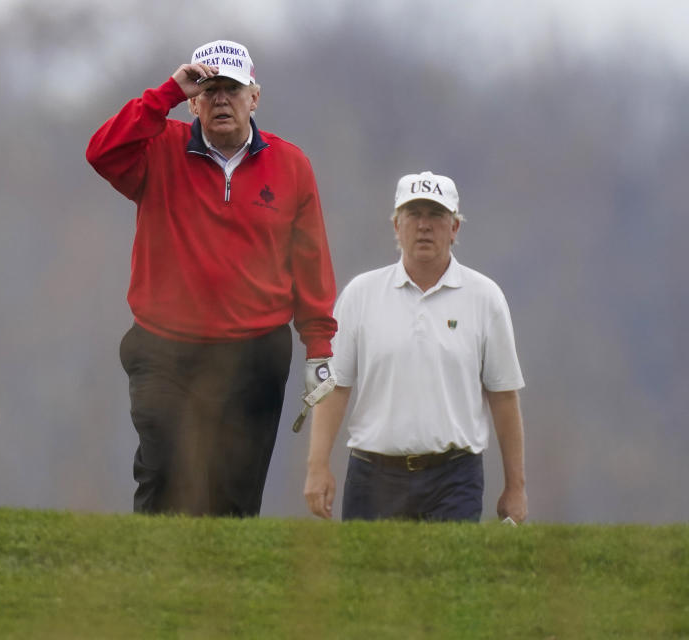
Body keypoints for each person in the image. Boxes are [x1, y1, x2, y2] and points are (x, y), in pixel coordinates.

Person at [87, 39, 338, 517]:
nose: (221, 99)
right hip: (163, 349)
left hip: (254, 352)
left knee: (233, 498)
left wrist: (319, 346)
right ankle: (154, 586)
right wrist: (164, 94)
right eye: (209, 89)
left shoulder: (291, 166)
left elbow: (310, 262)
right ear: (194, 102)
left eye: (233, 89)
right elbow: (101, 153)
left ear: (254, 98)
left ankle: (224, 591)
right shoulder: (159, 149)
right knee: (163, 478)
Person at [304, 171, 527, 523]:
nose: (424, 226)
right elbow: (335, 387)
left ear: (455, 229)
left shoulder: (485, 298)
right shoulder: (361, 295)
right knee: (367, 578)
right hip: (372, 475)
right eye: (413, 214)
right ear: (397, 225)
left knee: (448, 577)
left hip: (455, 478)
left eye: (436, 215)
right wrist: (317, 467)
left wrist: (516, 487)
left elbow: (503, 395)